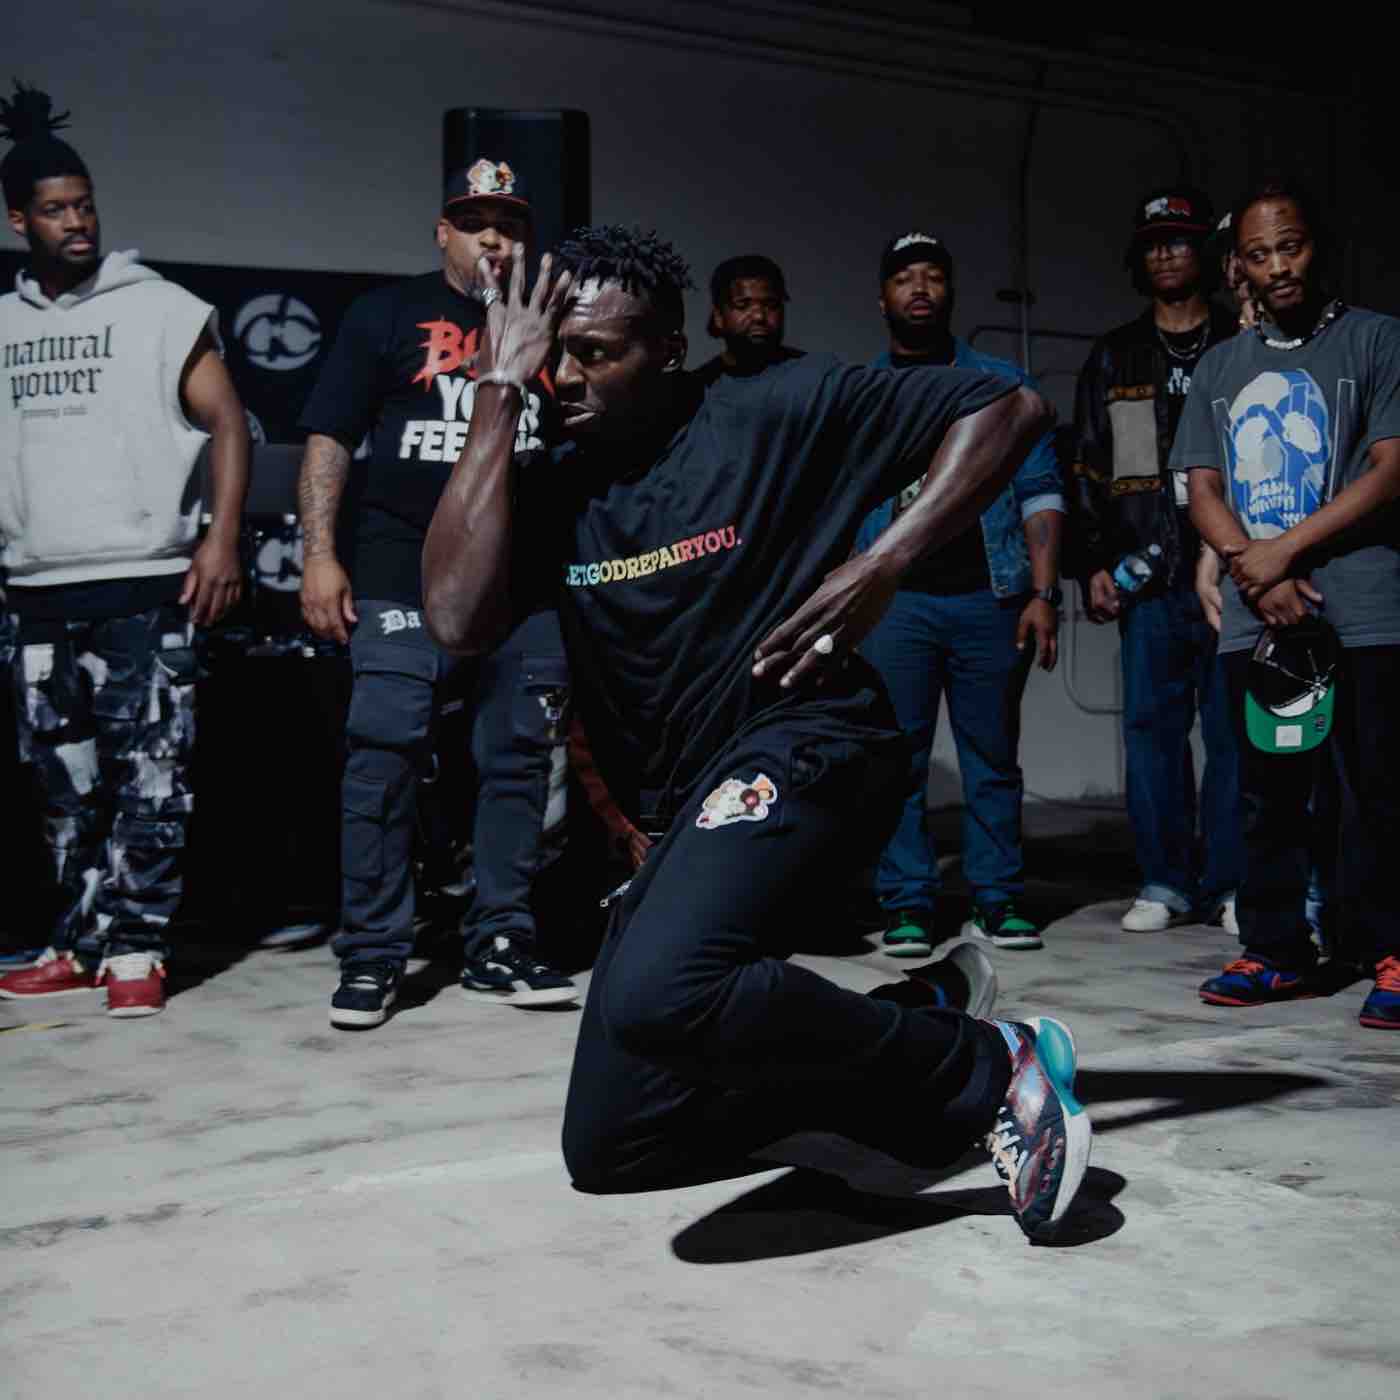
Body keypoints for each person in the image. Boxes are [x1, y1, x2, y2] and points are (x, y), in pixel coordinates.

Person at [421, 225, 1092, 1242]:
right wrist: (497, 391)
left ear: (671, 349)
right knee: (612, 1145)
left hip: (809, 740)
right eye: (551, 349)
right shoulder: (552, 476)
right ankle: (908, 1029)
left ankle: (987, 1067)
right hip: (685, 806)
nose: (566, 374)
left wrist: (883, 565)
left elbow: (1010, 406)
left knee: (657, 989)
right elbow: (456, 619)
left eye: (594, 351)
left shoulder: (771, 409)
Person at [297, 152, 575, 1030]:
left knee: (518, 760)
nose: (496, 237)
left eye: (512, 224)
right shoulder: (385, 314)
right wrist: (317, 554)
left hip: (519, 577)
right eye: (478, 222)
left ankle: (500, 940)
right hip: (397, 565)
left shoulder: (552, 324)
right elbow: (330, 439)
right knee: (383, 752)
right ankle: (375, 955)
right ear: (444, 232)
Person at [0, 83, 250, 1017]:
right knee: (61, 787)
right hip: (34, 589)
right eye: (55, 210)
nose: (75, 223)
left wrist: (222, 540)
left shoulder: (159, 308)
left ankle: (139, 952)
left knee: (153, 773)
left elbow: (229, 422)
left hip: (147, 583)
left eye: (85, 204)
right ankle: (78, 942)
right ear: (18, 218)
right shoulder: (4, 325)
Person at [1171, 178, 1400, 1029]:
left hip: (1367, 608)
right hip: (1256, 616)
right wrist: (1252, 571)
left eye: (1292, 246)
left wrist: (1278, 554)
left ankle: (1386, 949)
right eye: (1262, 254)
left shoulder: (1377, 341)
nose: (1280, 266)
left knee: (1375, 788)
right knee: (1269, 791)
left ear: (1317, 246)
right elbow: (1200, 487)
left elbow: (1390, 468)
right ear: (1241, 268)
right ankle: (1275, 952)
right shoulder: (1222, 368)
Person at [854, 232, 1065, 956]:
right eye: (904, 277)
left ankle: (998, 899)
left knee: (992, 758)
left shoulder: (1003, 385)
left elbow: (1040, 490)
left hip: (990, 596)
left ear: (950, 292)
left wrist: (1044, 592)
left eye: (933, 276)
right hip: (897, 604)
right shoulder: (865, 391)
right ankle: (908, 904)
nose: (919, 288)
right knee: (896, 761)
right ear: (882, 297)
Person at [1071, 186, 1243, 935]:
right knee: (1151, 732)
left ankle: (1236, 883)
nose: (1168, 253)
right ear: (1139, 261)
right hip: (1147, 581)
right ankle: (1166, 882)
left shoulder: (1243, 341)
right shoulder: (1115, 355)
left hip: (1235, 575)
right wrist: (1093, 564)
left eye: (1180, 240)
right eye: (1154, 243)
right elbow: (1086, 467)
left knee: (1237, 733)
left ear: (1204, 255)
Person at [692, 254, 803, 386]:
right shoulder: (697, 388)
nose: (759, 316)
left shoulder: (815, 376)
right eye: (743, 305)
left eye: (770, 304)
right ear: (719, 316)